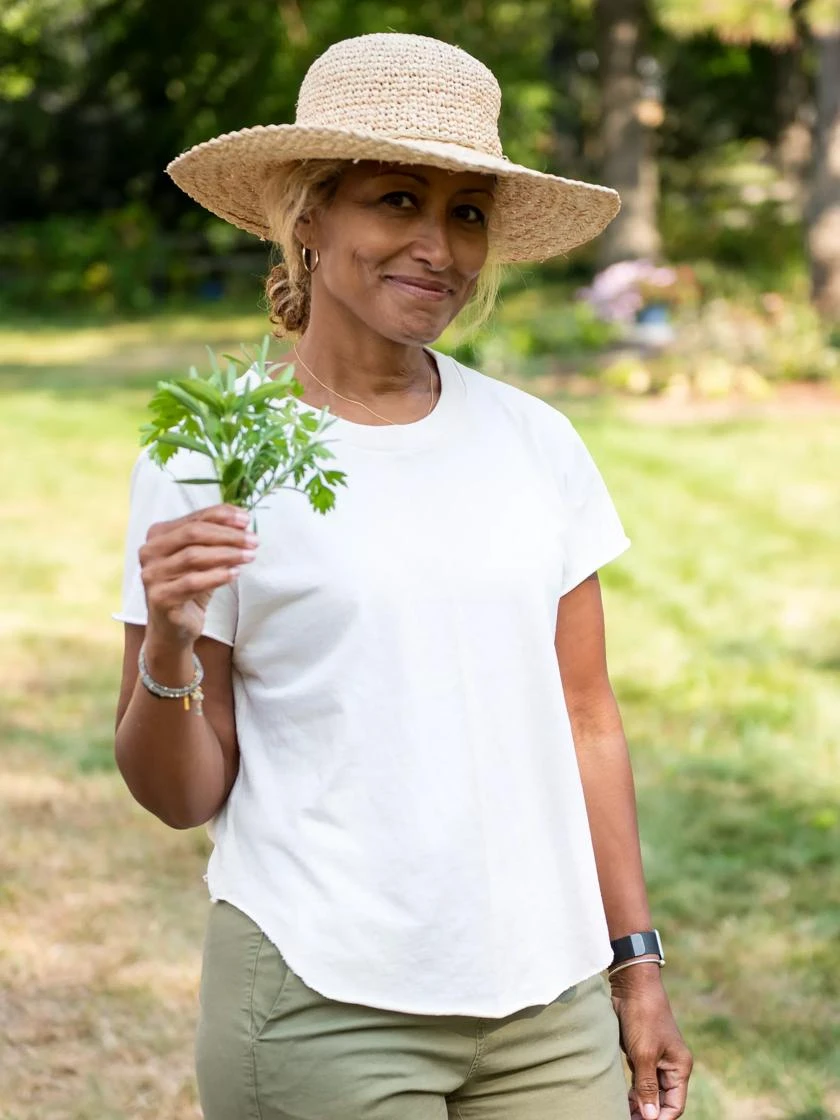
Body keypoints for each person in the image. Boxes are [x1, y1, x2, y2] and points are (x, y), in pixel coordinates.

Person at [114, 31, 693, 1120]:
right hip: (320, 998)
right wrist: (169, 646)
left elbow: (587, 717)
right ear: (310, 216)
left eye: (465, 211)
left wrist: (638, 965)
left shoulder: (536, 441)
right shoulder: (214, 448)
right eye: (395, 199)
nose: (438, 245)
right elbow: (179, 794)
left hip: (548, 1005)